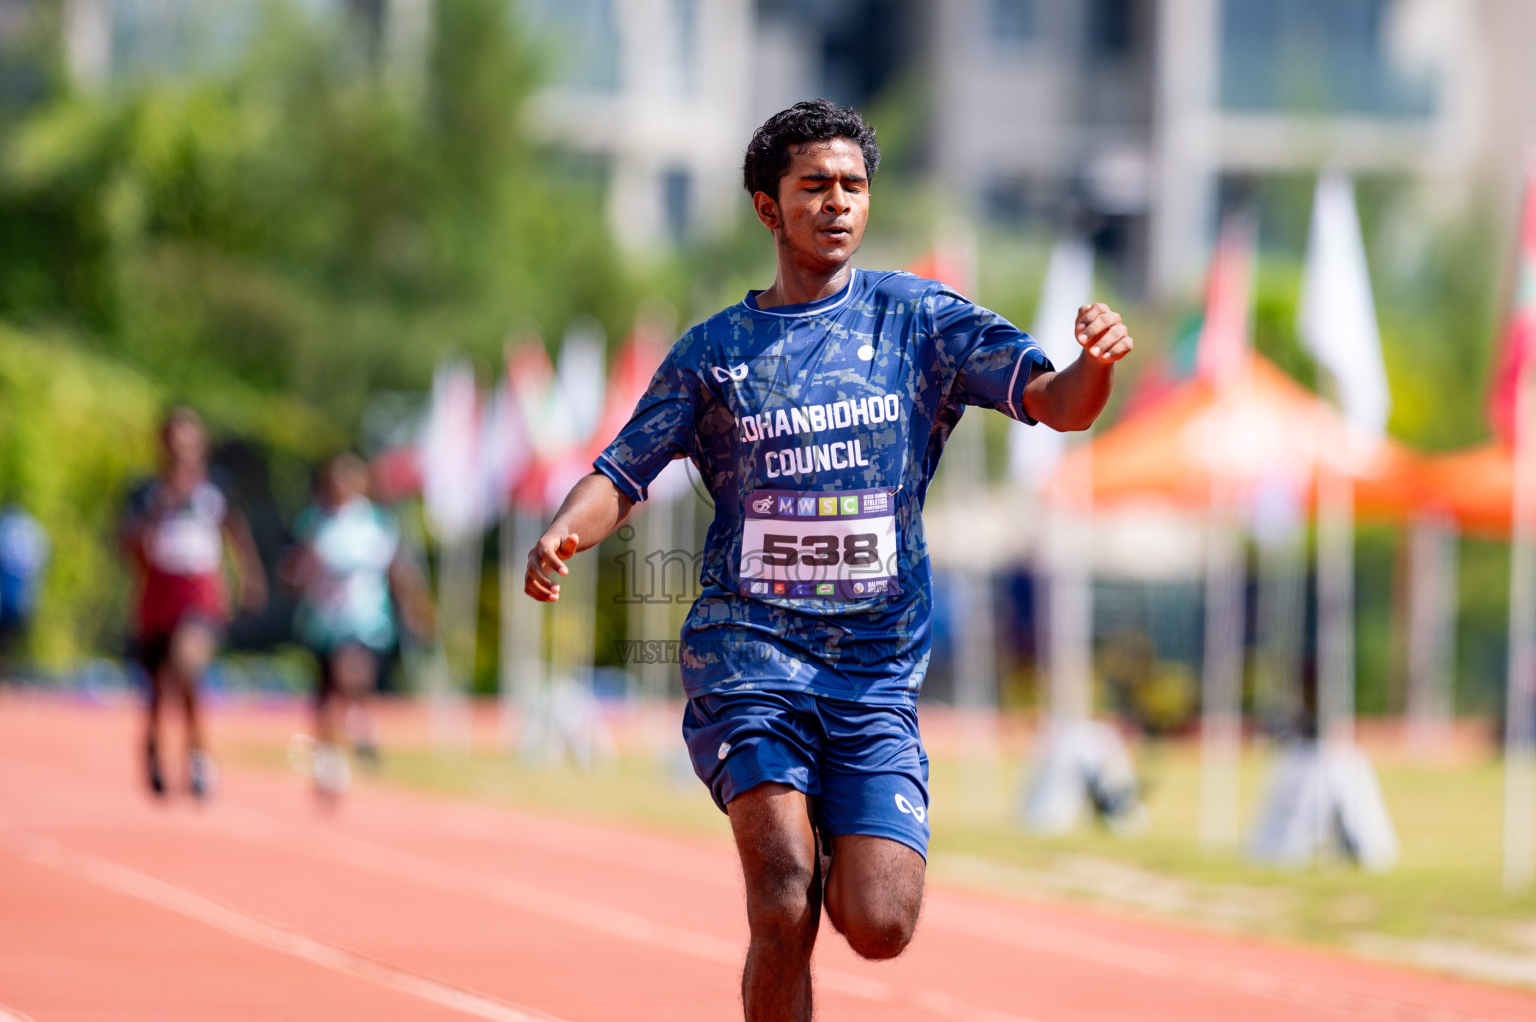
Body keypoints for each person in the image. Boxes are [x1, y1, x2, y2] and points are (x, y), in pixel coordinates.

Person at [524, 99, 1134, 1021]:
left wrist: (1097, 365)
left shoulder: (918, 319)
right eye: (815, 186)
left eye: (854, 186)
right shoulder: (715, 355)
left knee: (880, 922)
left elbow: (1057, 402)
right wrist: (564, 529)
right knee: (780, 904)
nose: (839, 203)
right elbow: (622, 469)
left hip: (874, 673)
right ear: (769, 208)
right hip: (748, 658)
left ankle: (845, 821)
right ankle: (793, 845)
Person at [121, 408, 267, 798]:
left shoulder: (215, 488)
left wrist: (250, 577)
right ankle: (153, 744)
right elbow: (127, 545)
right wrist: (157, 511)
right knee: (155, 686)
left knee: (188, 666)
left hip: (200, 593)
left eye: (189, 439)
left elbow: (235, 531)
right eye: (173, 439)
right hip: (157, 593)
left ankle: (198, 752)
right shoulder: (145, 491)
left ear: (200, 443)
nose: (181, 447)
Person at [284, 452, 431, 797]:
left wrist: (414, 607)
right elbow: (294, 568)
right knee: (325, 693)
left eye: (350, 479)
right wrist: (295, 576)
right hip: (322, 620)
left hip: (366, 617)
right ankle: (329, 759)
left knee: (351, 671)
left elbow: (398, 568)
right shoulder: (314, 523)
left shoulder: (377, 523)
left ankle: (360, 720)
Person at [0, 504, 49, 681]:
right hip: (24, 593)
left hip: (7, 591)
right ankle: (9, 671)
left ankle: (7, 672)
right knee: (11, 637)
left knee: (5, 635)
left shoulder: (6, 526)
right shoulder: (34, 529)